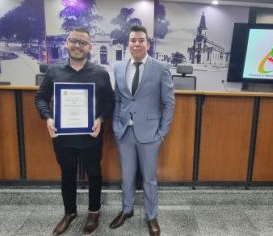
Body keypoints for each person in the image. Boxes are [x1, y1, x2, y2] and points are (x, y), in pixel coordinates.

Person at [35, 27, 114, 236]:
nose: (77, 46)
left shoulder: (100, 73)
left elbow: (110, 102)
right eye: (73, 41)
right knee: (67, 175)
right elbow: (40, 97)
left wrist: (100, 119)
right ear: (67, 43)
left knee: (94, 174)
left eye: (82, 42)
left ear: (90, 47)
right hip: (63, 137)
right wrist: (48, 117)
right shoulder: (54, 71)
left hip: (91, 137)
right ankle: (69, 213)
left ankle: (94, 212)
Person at [110, 25, 175, 236]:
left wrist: (162, 131)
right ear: (128, 43)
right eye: (132, 40)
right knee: (127, 176)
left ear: (148, 43)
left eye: (140, 40)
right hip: (124, 133)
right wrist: (115, 124)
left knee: (149, 178)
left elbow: (169, 102)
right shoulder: (119, 67)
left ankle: (151, 216)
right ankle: (127, 210)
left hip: (150, 133)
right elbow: (118, 99)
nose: (136, 44)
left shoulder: (160, 68)